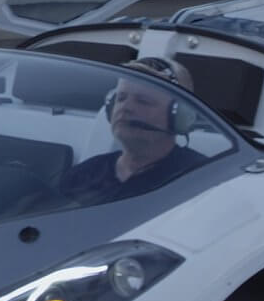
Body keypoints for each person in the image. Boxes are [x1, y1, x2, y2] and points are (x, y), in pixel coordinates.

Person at [57, 56, 209, 203]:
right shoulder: (83, 173)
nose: (125, 108)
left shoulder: (201, 179)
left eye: (143, 101)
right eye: (121, 98)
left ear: (179, 116)